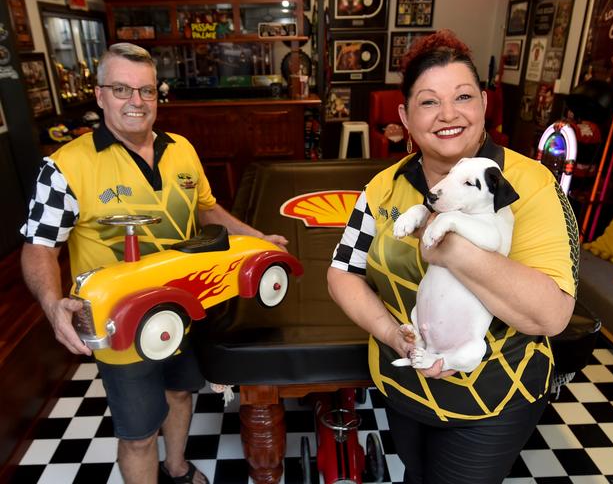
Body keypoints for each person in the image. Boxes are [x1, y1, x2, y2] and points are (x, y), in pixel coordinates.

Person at [20, 43, 288, 484]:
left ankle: (177, 467)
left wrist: (257, 239)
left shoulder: (181, 148)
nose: (137, 102)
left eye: (147, 91)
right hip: (120, 320)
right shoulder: (64, 167)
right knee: (139, 432)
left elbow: (207, 210)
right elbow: (39, 246)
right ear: (100, 94)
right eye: (122, 89)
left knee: (182, 392)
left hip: (182, 303)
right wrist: (52, 305)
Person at [328, 30, 579, 484]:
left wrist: (447, 242)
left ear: (484, 103)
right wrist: (392, 334)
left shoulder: (530, 184)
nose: (448, 114)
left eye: (462, 96)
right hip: (405, 381)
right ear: (405, 115)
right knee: (417, 475)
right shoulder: (384, 186)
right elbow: (342, 272)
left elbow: (552, 315)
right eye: (428, 102)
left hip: (496, 395)